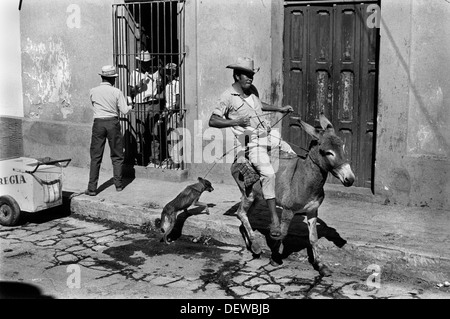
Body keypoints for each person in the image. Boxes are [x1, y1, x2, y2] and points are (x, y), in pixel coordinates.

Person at [208, 57, 296, 238]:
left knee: (291, 152)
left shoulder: (251, 90)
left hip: (264, 133)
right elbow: (213, 120)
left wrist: (279, 109)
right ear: (237, 75)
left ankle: (291, 199)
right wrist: (236, 121)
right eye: (247, 75)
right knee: (268, 173)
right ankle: (274, 219)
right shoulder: (227, 96)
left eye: (252, 74)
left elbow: (259, 105)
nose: (250, 78)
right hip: (247, 140)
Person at [86, 65, 132, 196]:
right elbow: (124, 110)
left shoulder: (93, 91)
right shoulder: (116, 92)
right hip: (112, 122)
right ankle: (118, 184)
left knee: (95, 156)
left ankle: (92, 188)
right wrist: (130, 106)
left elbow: (93, 105)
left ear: (102, 77)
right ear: (112, 79)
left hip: (98, 122)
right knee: (117, 155)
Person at [128, 50, 164, 165]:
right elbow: (131, 91)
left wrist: (159, 85)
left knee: (154, 131)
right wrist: (140, 84)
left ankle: (155, 156)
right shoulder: (134, 74)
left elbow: (161, 88)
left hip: (153, 103)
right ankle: (141, 157)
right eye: (143, 62)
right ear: (139, 63)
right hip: (140, 104)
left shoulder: (155, 72)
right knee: (140, 131)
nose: (146, 65)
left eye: (147, 62)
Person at [161, 62, 181, 168]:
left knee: (174, 138)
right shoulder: (168, 84)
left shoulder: (177, 83)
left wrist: (170, 110)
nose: (167, 74)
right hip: (169, 112)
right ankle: (172, 158)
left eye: (169, 72)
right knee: (169, 137)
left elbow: (178, 102)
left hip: (174, 113)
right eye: (166, 72)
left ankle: (176, 161)